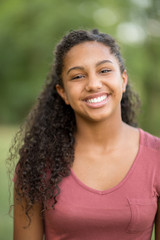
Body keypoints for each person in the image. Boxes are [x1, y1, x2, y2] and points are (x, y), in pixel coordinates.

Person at [9, 29, 160, 240]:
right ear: (64, 93)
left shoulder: (157, 157)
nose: (93, 84)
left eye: (104, 71)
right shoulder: (37, 163)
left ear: (123, 80)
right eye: (78, 76)